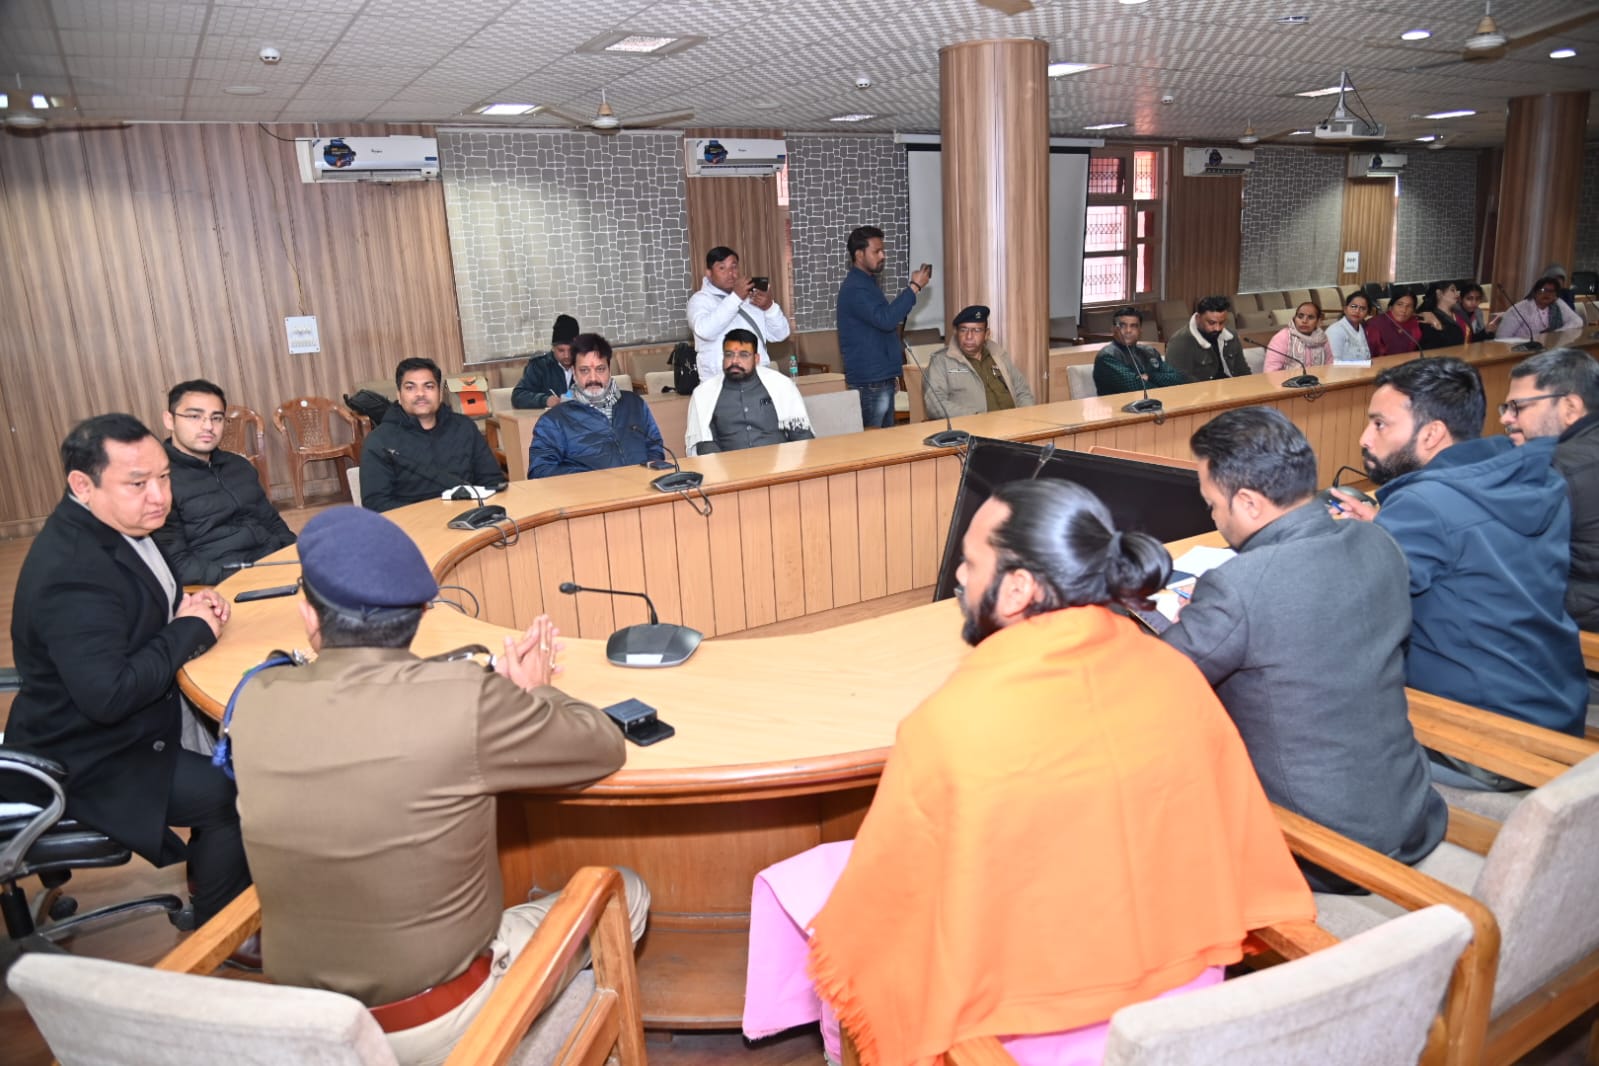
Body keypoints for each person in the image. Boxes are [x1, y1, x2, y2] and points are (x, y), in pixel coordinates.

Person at [782, 479, 1313, 1066]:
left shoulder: (951, 725)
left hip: (1025, 1025)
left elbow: (891, 911)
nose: (959, 575)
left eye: (970, 562)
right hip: (1185, 1000)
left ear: (1017, 589)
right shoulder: (1174, 674)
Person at [229, 506, 648, 1065]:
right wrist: (534, 690)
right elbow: (601, 745)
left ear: (308, 613)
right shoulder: (462, 699)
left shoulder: (255, 700)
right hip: (437, 1025)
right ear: (423, 612)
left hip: (307, 1026)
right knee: (625, 889)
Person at [1163, 408, 1445, 891]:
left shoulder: (1239, 586)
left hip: (1319, 846)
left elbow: (1159, 681)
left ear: (1248, 503)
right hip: (1411, 811)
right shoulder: (1376, 539)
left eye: (1212, 505)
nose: (1213, 516)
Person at [7, 414, 248, 929]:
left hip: (123, 721)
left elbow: (135, 607)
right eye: (138, 483)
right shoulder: (72, 572)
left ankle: (213, 873)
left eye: (164, 477)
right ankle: (222, 928)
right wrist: (189, 630)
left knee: (243, 742)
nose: (160, 496)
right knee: (227, 790)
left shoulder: (117, 523)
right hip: (88, 753)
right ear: (82, 485)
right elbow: (109, 696)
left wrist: (184, 606)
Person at [1331, 358, 1588, 789]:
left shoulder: (1424, 506)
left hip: (1483, 742)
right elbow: (1468, 548)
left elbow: (1347, 608)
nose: (1365, 438)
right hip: (1555, 710)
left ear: (1432, 433)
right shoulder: (1531, 479)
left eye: (1379, 424)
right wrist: (1386, 527)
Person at [153, 378, 296, 586]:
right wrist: (245, 579)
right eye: (194, 416)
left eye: (217, 418)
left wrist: (296, 554)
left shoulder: (238, 466)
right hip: (225, 582)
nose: (208, 426)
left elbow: (272, 521)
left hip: (273, 565)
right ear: (169, 420)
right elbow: (177, 563)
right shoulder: (158, 481)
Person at [1500, 348, 1599, 631]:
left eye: (1519, 407)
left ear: (1570, 408)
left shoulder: (1554, 469)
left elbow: (1507, 564)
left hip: (1577, 636)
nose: (1506, 418)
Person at [359, 357, 503, 513]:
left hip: (469, 516)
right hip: (413, 523)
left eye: (428, 386)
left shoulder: (464, 427)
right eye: (410, 388)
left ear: (439, 394)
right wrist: (431, 515)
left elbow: (492, 480)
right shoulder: (379, 441)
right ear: (399, 396)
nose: (420, 393)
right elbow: (376, 504)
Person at [527, 333, 665, 478]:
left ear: (609, 370)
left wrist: (647, 476)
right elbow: (540, 471)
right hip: (589, 491)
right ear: (574, 372)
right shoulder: (554, 421)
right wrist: (593, 480)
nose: (593, 378)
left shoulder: (634, 403)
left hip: (641, 487)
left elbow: (654, 446)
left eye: (600, 369)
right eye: (584, 370)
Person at [837, 225, 931, 429]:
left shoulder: (867, 283)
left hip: (880, 377)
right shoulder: (856, 287)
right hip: (871, 381)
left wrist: (892, 374)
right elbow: (886, 319)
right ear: (859, 254)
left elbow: (881, 326)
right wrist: (914, 287)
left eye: (883, 250)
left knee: (886, 440)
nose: (883, 256)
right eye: (876, 251)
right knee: (874, 442)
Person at [685, 328, 814, 456]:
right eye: (729, 354)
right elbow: (705, 444)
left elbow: (802, 435)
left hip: (781, 465)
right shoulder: (705, 395)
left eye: (744, 355)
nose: (735, 361)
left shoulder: (781, 386)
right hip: (730, 467)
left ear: (756, 359)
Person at [687, 246, 792, 383]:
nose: (730, 273)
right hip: (719, 383)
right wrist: (736, 298)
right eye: (722, 268)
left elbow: (781, 334)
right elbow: (704, 330)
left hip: (758, 380)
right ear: (709, 273)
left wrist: (769, 307)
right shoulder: (699, 300)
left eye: (734, 266)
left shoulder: (751, 298)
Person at [921, 305, 1036, 417]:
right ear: (956, 333)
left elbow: (1022, 391)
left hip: (1014, 424)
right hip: (971, 426)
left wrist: (1026, 418)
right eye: (963, 330)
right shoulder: (941, 362)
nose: (969, 336)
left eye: (976, 330)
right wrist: (975, 418)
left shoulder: (998, 355)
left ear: (986, 334)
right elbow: (935, 405)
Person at [1092, 306, 1189, 397]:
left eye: (1133, 326)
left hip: (1156, 404)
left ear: (1140, 330)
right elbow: (1138, 388)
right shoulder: (1107, 357)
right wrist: (1165, 387)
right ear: (1113, 329)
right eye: (1122, 326)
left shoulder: (1150, 352)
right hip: (1120, 407)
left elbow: (1178, 378)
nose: (1128, 330)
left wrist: (1150, 377)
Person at [1163, 295, 1251, 380]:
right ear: (1198, 318)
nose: (1218, 328)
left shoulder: (1231, 336)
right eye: (1211, 323)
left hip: (1232, 387)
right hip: (1200, 389)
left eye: (1221, 322)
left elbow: (1243, 371)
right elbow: (1177, 382)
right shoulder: (1179, 343)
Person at [510, 314, 580, 409]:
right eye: (561, 350)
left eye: (571, 350)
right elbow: (518, 396)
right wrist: (545, 400)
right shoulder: (540, 366)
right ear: (553, 348)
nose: (566, 355)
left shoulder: (584, 365)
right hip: (549, 417)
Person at [1494, 276, 1585, 341]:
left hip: (1548, 348)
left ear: (1556, 295)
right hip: (1519, 350)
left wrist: (1554, 334)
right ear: (1535, 292)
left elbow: (1577, 321)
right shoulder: (1521, 308)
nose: (1547, 294)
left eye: (1551, 291)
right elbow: (1501, 338)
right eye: (1543, 290)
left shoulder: (1558, 304)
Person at [1265, 301, 1333, 372]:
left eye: (1310, 317)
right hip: (1287, 379)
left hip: (1320, 378)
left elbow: (1330, 366)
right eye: (1300, 316)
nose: (1304, 321)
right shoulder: (1283, 337)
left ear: (1318, 321)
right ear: (1294, 319)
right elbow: (1271, 371)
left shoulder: (1322, 338)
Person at [1365, 290, 1421, 357]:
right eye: (1399, 304)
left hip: (1410, 361)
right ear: (1391, 307)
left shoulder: (1417, 323)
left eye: (1409, 306)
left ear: (1413, 311)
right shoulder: (1375, 324)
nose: (1403, 310)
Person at [1416, 282, 1467, 351]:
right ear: (1439, 293)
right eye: (1452, 290)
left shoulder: (1460, 314)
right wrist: (1439, 327)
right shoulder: (1429, 317)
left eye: (1456, 290)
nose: (1457, 294)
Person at [1326, 290, 1373, 363]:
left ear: (1367, 314)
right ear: (1345, 309)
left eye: (1362, 308)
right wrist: (1365, 364)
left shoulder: (1362, 329)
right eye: (1353, 306)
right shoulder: (1335, 331)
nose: (1357, 311)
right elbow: (1334, 362)